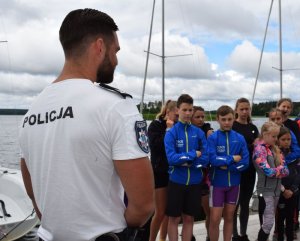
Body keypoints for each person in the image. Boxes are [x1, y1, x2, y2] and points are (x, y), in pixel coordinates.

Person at [19, 9, 154, 241]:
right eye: (116, 51)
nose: (117, 60)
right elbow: (143, 205)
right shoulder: (115, 107)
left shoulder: (31, 113)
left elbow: (34, 195)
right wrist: (121, 232)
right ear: (100, 47)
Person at [164, 94, 209, 241]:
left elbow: (206, 156)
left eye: (190, 110)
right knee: (174, 219)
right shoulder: (171, 132)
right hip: (176, 182)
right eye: (185, 110)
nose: (188, 113)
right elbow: (171, 159)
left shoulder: (198, 132)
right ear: (178, 110)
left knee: (189, 219)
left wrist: (188, 162)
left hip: (195, 182)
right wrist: (192, 154)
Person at [207, 105, 249, 241]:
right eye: (223, 119)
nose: (226, 122)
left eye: (229, 119)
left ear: (233, 119)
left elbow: (246, 162)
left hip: (234, 184)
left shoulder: (240, 138)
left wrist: (227, 166)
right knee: (215, 219)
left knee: (230, 217)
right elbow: (213, 160)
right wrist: (231, 159)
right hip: (217, 184)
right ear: (217, 120)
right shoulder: (213, 138)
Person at [253, 121, 289, 241]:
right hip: (265, 191)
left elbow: (286, 170)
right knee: (267, 224)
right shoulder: (259, 150)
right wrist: (279, 170)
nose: (276, 139)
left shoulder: (275, 149)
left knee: (268, 223)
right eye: (273, 136)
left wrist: (277, 170)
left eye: (276, 136)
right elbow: (268, 172)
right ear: (264, 134)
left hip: (276, 191)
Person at [148, 100, 178, 241]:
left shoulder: (179, 127)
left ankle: (162, 239)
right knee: (160, 212)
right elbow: (156, 146)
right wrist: (168, 130)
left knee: (168, 212)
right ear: (168, 112)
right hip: (159, 172)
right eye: (176, 115)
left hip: (173, 173)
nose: (178, 118)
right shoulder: (155, 125)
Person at [231, 98, 259, 241]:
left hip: (249, 171)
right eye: (241, 109)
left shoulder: (253, 128)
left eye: (246, 109)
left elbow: (258, 148)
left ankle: (243, 234)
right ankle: (234, 235)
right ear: (236, 110)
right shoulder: (232, 127)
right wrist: (250, 145)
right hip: (235, 171)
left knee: (245, 202)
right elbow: (235, 150)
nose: (244, 112)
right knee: (233, 204)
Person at [191, 106, 214, 241]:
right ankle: (190, 236)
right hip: (191, 176)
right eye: (197, 117)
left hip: (205, 176)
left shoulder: (207, 130)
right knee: (189, 213)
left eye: (202, 117)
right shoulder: (186, 132)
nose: (200, 120)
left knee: (209, 211)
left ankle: (209, 236)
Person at [276, 126, 300, 241]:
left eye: (289, 139)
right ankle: (280, 237)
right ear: (277, 140)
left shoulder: (295, 156)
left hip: (293, 192)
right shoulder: (275, 156)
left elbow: (298, 174)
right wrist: (283, 190)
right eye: (283, 139)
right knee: (280, 218)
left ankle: (290, 238)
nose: (286, 142)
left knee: (291, 219)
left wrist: (293, 189)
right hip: (281, 192)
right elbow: (274, 175)